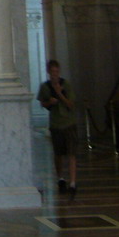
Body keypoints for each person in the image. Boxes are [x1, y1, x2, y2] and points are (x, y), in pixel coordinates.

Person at [37, 59, 78, 198]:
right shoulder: (45, 87)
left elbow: (71, 104)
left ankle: (73, 182)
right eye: (52, 72)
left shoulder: (65, 84)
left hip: (69, 123)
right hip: (56, 124)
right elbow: (43, 103)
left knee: (71, 153)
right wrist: (50, 101)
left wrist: (59, 93)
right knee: (58, 153)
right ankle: (61, 178)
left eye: (57, 72)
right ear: (49, 72)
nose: (55, 74)